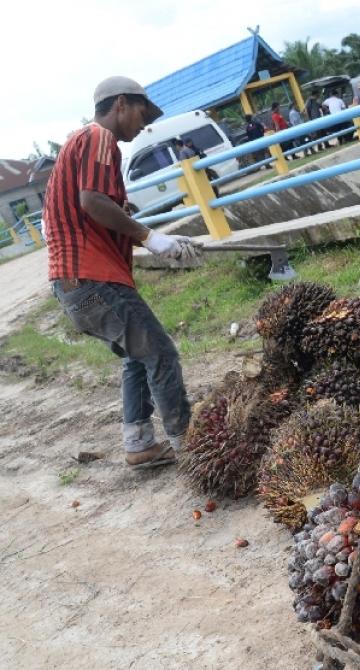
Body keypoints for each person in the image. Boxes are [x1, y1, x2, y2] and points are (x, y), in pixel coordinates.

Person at [43, 76, 201, 469]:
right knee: (161, 353)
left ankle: (140, 444)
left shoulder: (79, 146)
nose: (143, 125)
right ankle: (191, 445)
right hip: (91, 280)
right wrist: (148, 236)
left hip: (75, 286)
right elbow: (92, 202)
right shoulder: (98, 137)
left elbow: (100, 215)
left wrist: (161, 239)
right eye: (142, 114)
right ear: (121, 105)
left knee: (137, 356)